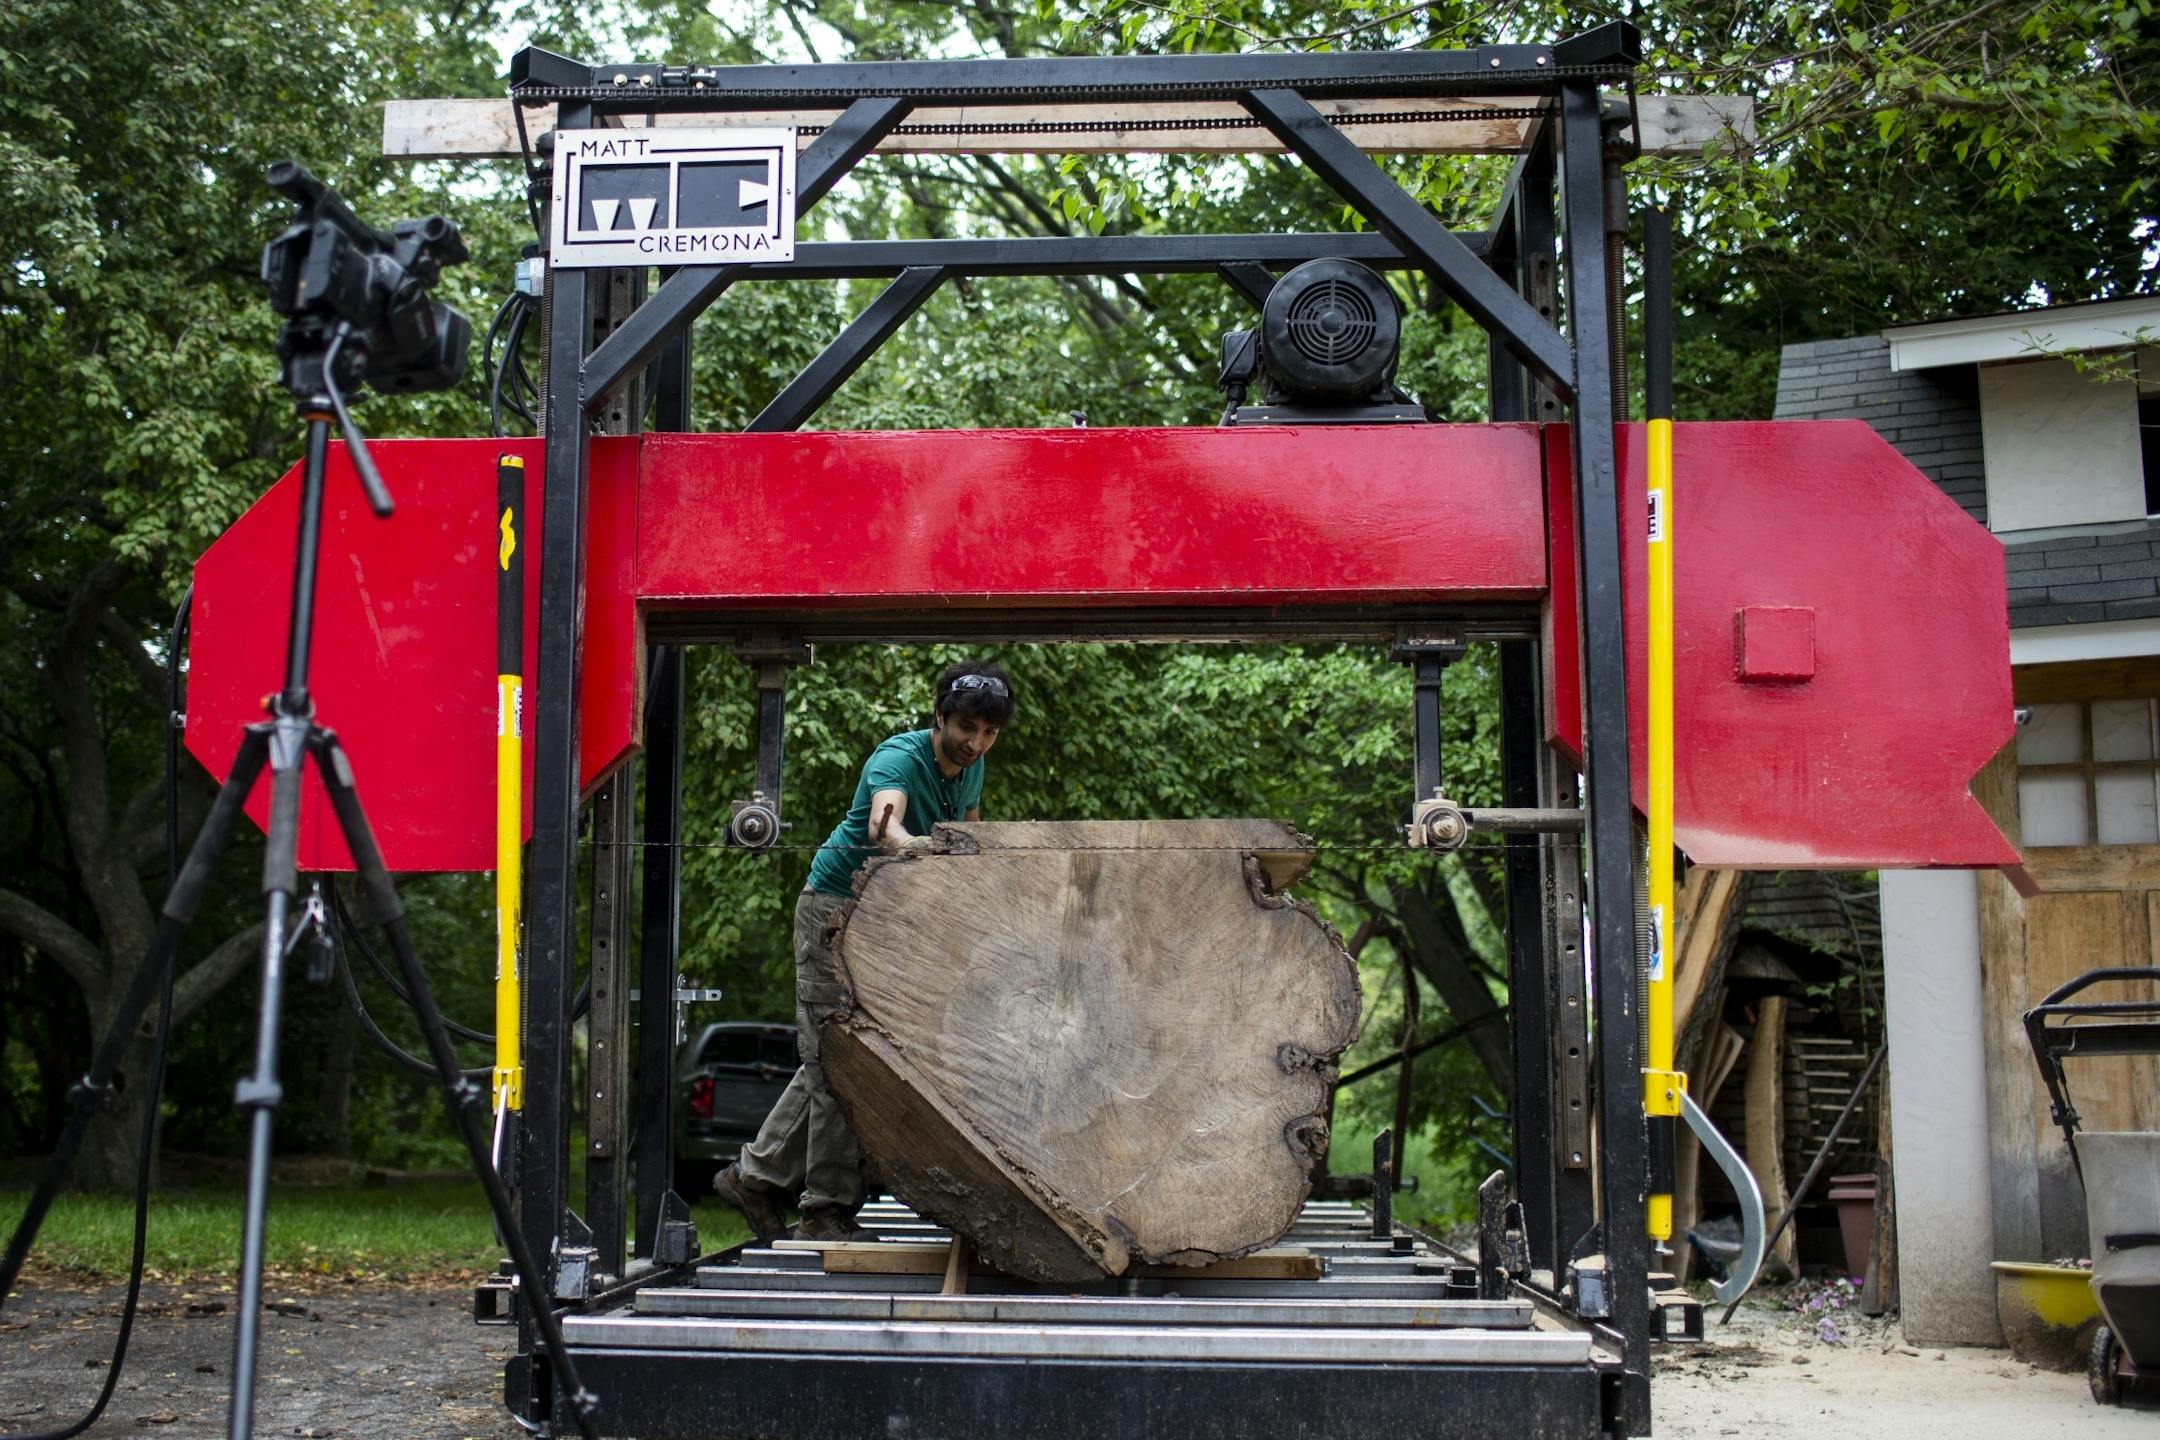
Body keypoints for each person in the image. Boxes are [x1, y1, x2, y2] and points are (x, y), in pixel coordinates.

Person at [711, 659, 1015, 1243]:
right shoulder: (898, 758)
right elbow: (886, 825)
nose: (975, 743)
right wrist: (919, 850)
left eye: (988, 733)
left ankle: (756, 1176)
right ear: (940, 717)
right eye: (966, 728)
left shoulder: (971, 770)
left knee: (846, 1059)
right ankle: (825, 1211)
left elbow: (976, 839)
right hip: (835, 911)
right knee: (841, 1060)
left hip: (890, 922)